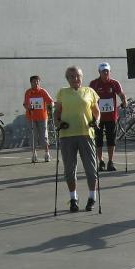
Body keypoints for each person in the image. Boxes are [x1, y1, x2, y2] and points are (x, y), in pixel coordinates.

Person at [54, 66, 100, 212]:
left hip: (86, 134)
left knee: (91, 169)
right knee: (69, 170)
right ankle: (73, 198)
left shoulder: (89, 91)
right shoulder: (62, 92)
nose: (75, 79)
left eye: (78, 76)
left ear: (82, 77)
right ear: (67, 79)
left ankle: (92, 197)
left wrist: (96, 121)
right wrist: (58, 123)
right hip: (67, 135)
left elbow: (96, 112)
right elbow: (57, 112)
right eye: (72, 76)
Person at [89, 62, 127, 172]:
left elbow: (121, 94)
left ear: (110, 72)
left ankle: (110, 161)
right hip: (98, 117)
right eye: (103, 71)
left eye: (107, 71)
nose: (105, 73)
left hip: (111, 117)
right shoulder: (94, 83)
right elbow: (89, 97)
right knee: (98, 140)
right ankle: (101, 161)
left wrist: (124, 100)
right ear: (99, 72)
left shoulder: (114, 83)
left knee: (111, 140)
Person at [23, 75, 54, 162]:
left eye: (37, 81)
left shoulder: (43, 91)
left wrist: (51, 105)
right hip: (31, 117)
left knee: (44, 136)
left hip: (42, 117)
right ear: (31, 83)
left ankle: (47, 153)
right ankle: (34, 154)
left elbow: (50, 101)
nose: (36, 83)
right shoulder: (28, 92)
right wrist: (28, 107)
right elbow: (25, 104)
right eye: (34, 81)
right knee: (33, 136)